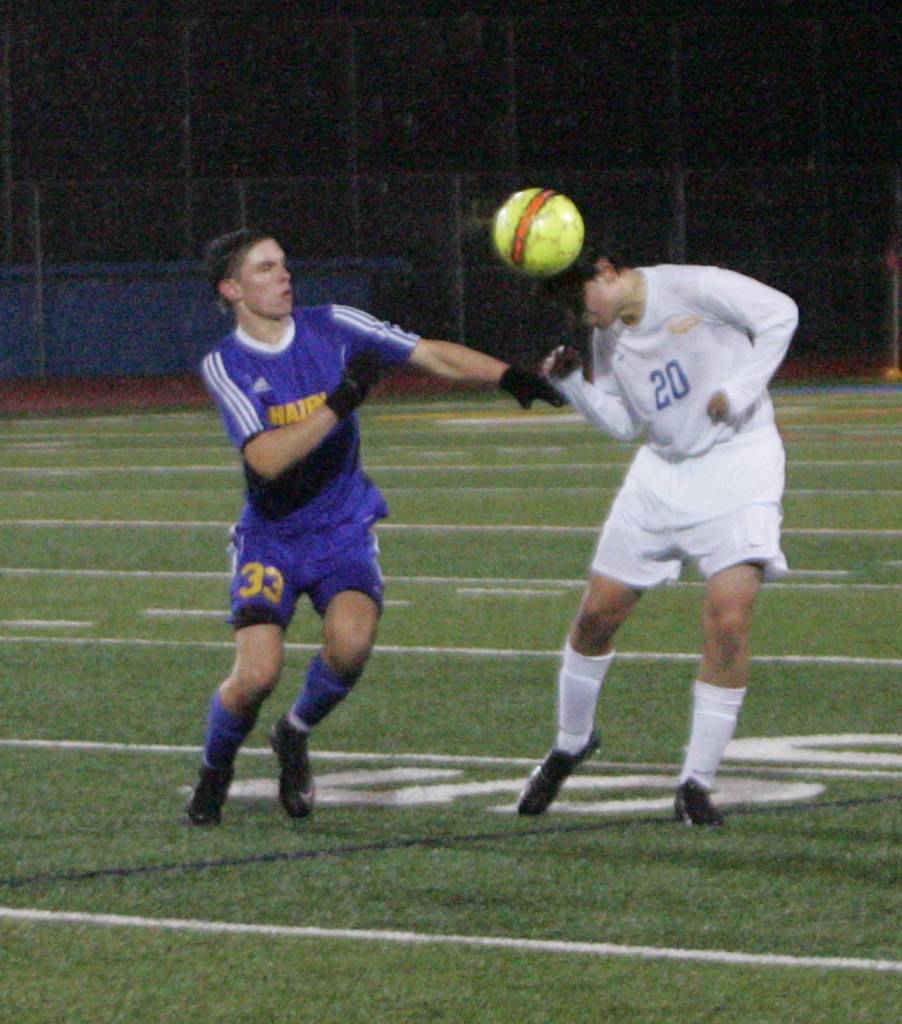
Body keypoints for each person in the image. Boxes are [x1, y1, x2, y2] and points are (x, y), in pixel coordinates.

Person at [184, 227, 562, 826]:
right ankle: (214, 770)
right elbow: (268, 459)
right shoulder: (225, 363)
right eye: (265, 268)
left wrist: (510, 377)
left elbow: (430, 354)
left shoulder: (333, 323)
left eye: (283, 263)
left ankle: (293, 733)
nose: (284, 275)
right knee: (255, 675)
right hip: (273, 537)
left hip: (343, 526)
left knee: (352, 645)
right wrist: (341, 401)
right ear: (232, 289)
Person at [517, 245, 798, 826]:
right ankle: (572, 742)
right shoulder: (609, 334)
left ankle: (695, 783)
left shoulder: (695, 287)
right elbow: (626, 423)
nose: (582, 317)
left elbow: (781, 314)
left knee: (728, 619)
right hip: (661, 475)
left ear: (607, 270)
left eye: (581, 301)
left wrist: (741, 390)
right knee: (596, 617)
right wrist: (573, 386)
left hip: (739, 463)